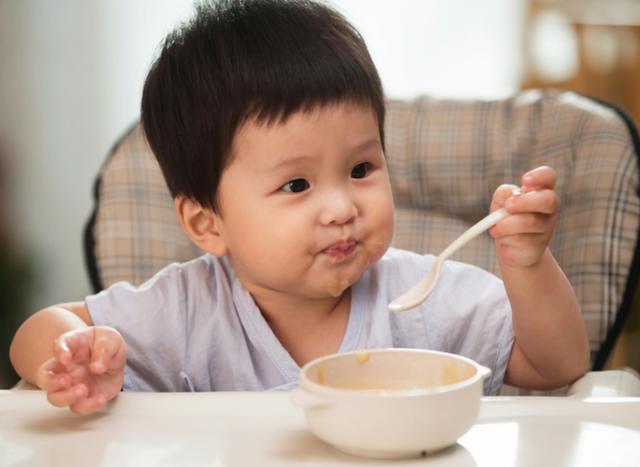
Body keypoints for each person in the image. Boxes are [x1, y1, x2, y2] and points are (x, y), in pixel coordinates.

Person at [9, 0, 589, 415]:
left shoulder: (428, 300)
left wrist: (527, 265)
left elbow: (555, 367)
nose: (340, 207)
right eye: (296, 185)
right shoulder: (185, 311)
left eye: (361, 170)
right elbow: (36, 332)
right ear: (206, 224)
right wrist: (74, 356)